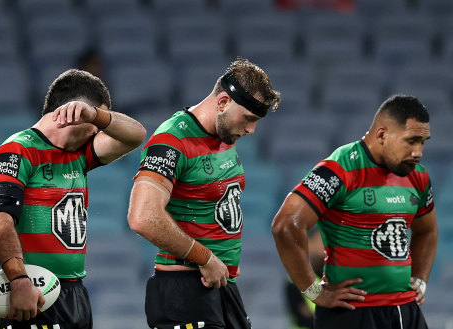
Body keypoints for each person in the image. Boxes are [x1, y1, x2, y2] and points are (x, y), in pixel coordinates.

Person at [0, 68, 146, 329]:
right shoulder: (17, 150)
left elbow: (136, 135)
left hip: (75, 292)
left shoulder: (78, 154)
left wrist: (97, 116)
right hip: (34, 291)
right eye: (95, 123)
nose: (98, 132)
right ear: (73, 114)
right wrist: (19, 281)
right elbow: (0, 222)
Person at [127, 58, 281, 329]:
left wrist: (225, 257)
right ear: (223, 103)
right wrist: (206, 258)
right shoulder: (171, 140)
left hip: (219, 286)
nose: (251, 130)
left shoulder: (223, 135)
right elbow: (143, 217)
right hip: (185, 291)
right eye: (248, 119)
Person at [271, 95, 438, 329]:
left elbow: (427, 231)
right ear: (381, 135)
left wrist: (419, 280)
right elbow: (285, 225)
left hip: (406, 311)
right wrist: (314, 291)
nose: (418, 151)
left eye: (423, 142)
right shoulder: (340, 169)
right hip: (352, 314)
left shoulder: (418, 175)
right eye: (411, 141)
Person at [284, 228, 324, 329]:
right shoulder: (297, 279)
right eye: (320, 240)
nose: (325, 245)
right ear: (309, 244)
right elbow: (303, 318)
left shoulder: (341, 277)